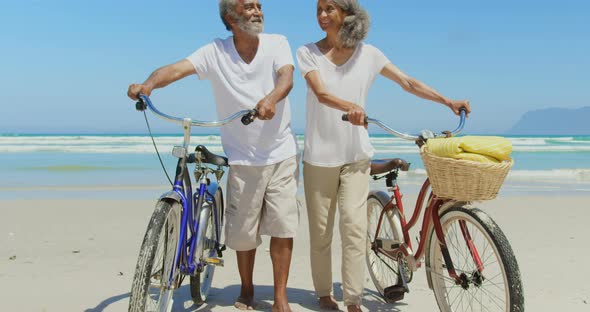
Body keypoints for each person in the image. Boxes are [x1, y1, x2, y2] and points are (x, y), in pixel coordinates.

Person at [296, 0, 472, 311]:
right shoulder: (307, 52)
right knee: (321, 233)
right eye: (319, 9)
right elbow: (320, 93)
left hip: (355, 156)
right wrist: (349, 107)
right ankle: (324, 294)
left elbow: (408, 82)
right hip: (319, 157)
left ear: (347, 13)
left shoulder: (369, 54)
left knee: (353, 228)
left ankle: (352, 299)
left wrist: (446, 100)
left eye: (330, 9)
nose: (322, 16)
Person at [127, 1, 299, 311]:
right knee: (244, 235)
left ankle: (280, 297)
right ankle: (247, 290)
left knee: (283, 226)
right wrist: (148, 85)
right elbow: (175, 69)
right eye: (249, 6)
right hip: (243, 157)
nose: (258, 10)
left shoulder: (277, 43)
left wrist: (270, 99)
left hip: (281, 152)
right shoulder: (215, 51)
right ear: (231, 18)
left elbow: (286, 78)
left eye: (260, 5)